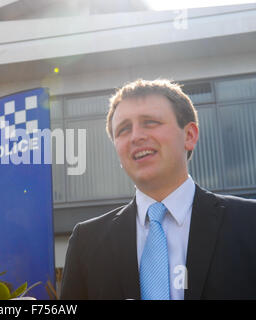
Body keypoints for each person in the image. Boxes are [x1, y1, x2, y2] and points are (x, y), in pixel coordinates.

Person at [60, 79, 256, 300]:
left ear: (189, 135)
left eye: (150, 122)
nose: (136, 137)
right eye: (124, 129)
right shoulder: (86, 242)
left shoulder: (249, 222)